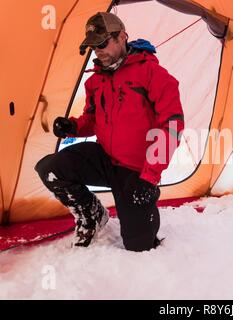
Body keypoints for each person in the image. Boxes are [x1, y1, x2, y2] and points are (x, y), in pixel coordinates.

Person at [35, 12, 184, 251]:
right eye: (94, 47)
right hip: (104, 159)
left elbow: (172, 126)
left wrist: (150, 177)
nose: (98, 51)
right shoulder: (95, 81)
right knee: (50, 168)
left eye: (102, 43)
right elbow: (92, 119)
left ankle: (141, 214)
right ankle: (91, 214)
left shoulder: (153, 75)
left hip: (136, 171)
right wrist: (73, 126)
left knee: (139, 245)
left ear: (122, 36)